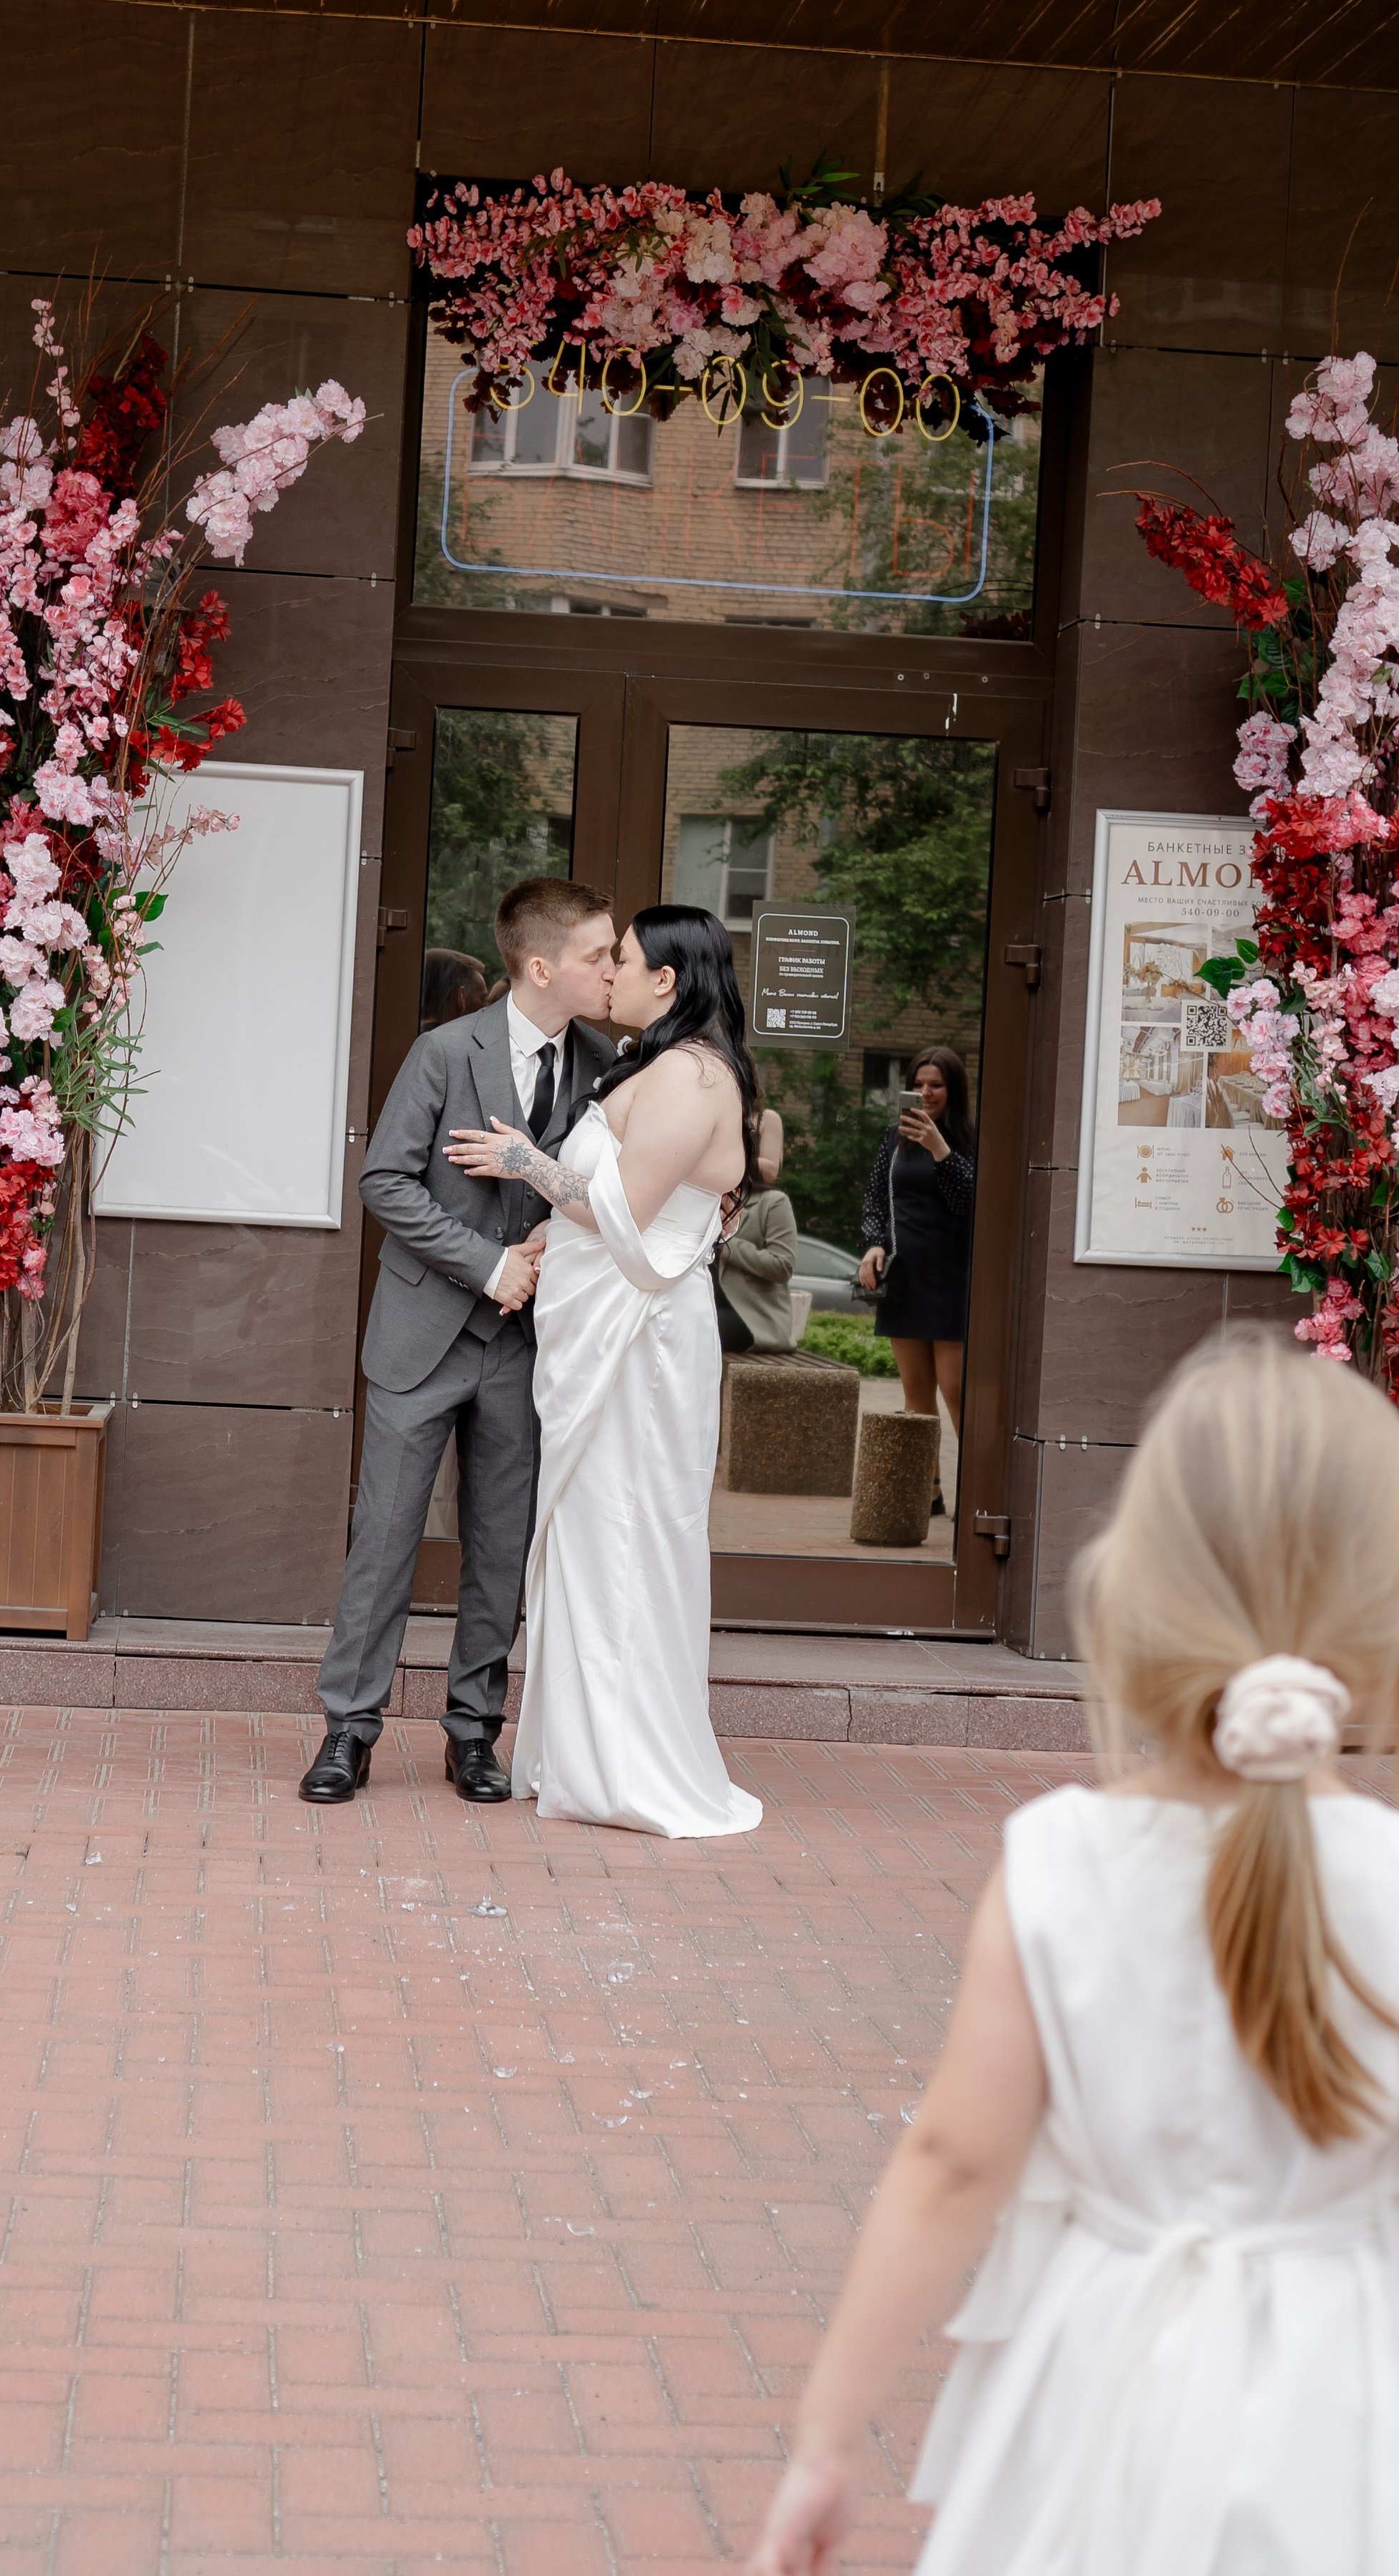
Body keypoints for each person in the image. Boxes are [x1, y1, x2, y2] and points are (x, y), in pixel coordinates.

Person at [747, 1332, 1399, 2576]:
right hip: (1345, 2404)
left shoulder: (1062, 1861)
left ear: (1141, 1587)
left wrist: (827, 2439)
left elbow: (951, 2166)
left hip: (1098, 2383)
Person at [447, 903, 763, 1840]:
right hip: (605, 1336)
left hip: (642, 1348)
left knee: (628, 1538)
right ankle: (584, 1755)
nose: (608, 973)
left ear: (667, 980)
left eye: (620, 959)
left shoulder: (692, 1076)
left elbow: (626, 1213)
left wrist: (527, 1165)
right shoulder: (664, 1067)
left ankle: (627, 1768)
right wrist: (544, 1235)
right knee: (590, 1539)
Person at [301, 877, 616, 1809]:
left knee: (499, 1548)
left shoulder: (605, 1065)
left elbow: (608, 1200)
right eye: (599, 955)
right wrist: (488, 1265)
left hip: (528, 1350)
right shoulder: (444, 1053)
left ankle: (474, 1736)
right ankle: (348, 1732)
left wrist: (546, 1249)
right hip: (424, 1336)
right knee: (385, 1543)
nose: (612, 970)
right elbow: (384, 1182)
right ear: (541, 965)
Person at [858, 1046, 976, 1442]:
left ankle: (975, 1489)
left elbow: (971, 1203)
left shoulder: (971, 1139)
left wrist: (939, 1148)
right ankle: (929, 1490)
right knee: (916, 1389)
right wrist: (875, 1244)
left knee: (956, 1388)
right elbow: (876, 1199)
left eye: (936, 1085)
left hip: (953, 1278)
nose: (926, 1092)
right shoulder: (896, 1137)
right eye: (918, 1085)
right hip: (905, 1278)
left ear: (953, 1089)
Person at [719, 1107, 800, 1352]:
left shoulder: (773, 1202)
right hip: (706, 1307)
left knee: (692, 1330)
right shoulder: (705, 1199)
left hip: (751, 1319)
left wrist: (726, 1243)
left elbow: (783, 1265)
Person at [420, 947, 489, 1033]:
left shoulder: (407, 1038)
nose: (487, 1008)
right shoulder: (457, 1044)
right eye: (483, 999)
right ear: (460, 998)